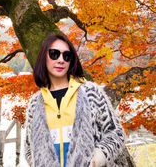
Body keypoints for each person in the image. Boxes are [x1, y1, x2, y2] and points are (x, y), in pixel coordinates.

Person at [24, 34, 125, 167]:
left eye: (67, 56)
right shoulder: (35, 104)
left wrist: (97, 159)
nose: (61, 60)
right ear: (44, 57)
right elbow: (29, 147)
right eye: (54, 54)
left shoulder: (90, 93)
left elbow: (116, 133)